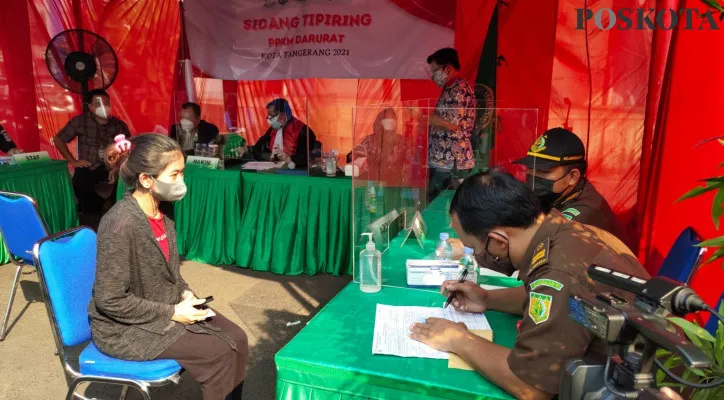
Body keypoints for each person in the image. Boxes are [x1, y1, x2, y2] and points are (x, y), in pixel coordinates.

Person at [409, 171, 650, 399]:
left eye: (476, 249)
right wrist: (488, 299)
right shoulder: (562, 231)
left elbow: (532, 387)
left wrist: (459, 339)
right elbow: (549, 298)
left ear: (499, 241)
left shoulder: (559, 273)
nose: (477, 255)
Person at [89, 134, 247, 400]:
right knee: (219, 353)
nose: (181, 182)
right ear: (146, 180)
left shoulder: (164, 211)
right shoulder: (119, 225)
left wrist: (185, 293)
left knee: (238, 338)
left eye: (182, 173)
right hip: (124, 328)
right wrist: (172, 312)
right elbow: (109, 300)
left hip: (164, 305)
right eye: (174, 175)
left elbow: (168, 272)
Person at [513, 127, 623, 240]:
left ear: (573, 177)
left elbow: (537, 245)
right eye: (530, 168)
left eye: (544, 171)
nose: (534, 176)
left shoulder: (582, 216)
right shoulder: (559, 194)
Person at [54, 89, 131, 213]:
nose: (103, 107)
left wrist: (119, 165)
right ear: (90, 107)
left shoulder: (118, 125)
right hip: (89, 165)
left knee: (126, 177)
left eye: (106, 103)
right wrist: (72, 161)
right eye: (98, 103)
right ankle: (96, 208)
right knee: (79, 181)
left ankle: (113, 206)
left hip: (111, 165)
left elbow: (127, 147)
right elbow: (58, 139)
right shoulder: (80, 121)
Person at [426, 48, 476, 201]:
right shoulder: (451, 88)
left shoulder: (458, 89)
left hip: (449, 162)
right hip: (443, 160)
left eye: (434, 69)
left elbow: (452, 124)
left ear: (447, 68)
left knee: (442, 206)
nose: (432, 75)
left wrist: (424, 117)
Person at [346, 108, 410, 182]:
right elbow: (352, 156)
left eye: (393, 118)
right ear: (381, 121)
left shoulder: (402, 141)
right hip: (373, 184)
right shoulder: (370, 140)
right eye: (387, 118)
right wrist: (354, 157)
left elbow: (410, 161)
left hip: (395, 184)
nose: (391, 120)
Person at [253, 98, 317, 168]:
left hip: (296, 173)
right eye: (268, 116)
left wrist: (288, 158)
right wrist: (247, 149)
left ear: (283, 115)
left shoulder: (302, 130)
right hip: (274, 170)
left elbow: (311, 156)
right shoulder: (273, 129)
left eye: (272, 116)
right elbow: (258, 148)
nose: (269, 119)